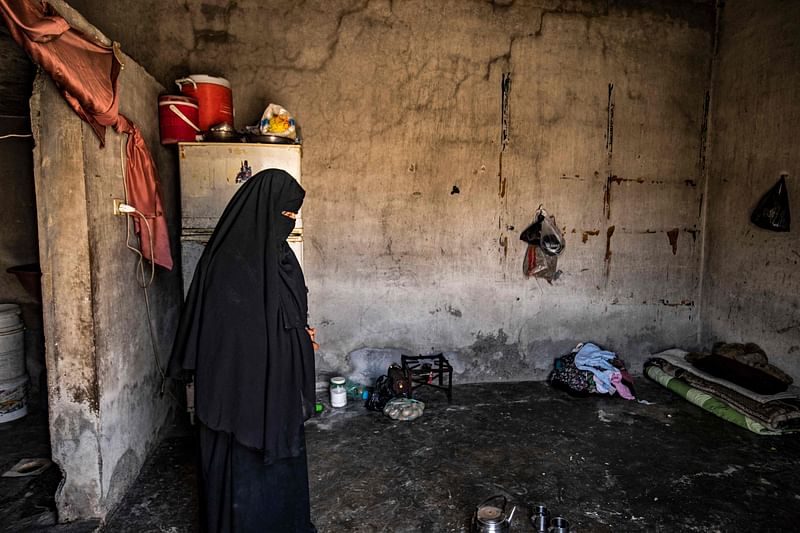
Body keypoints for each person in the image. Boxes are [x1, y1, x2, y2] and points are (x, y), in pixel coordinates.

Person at [168, 169, 317, 532]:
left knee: (279, 475)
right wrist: (293, 339)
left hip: (277, 386)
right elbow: (230, 339)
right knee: (243, 474)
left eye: (294, 215)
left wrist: (300, 334)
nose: (290, 222)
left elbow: (287, 313)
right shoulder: (229, 264)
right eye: (285, 214)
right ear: (261, 209)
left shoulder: (279, 255)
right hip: (238, 396)